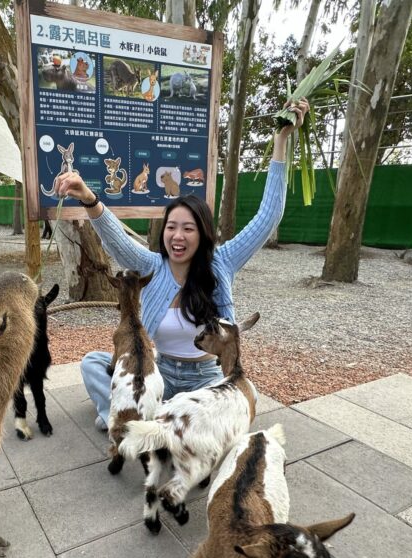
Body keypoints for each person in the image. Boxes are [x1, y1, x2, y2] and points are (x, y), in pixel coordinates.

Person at [53, 99, 309, 431]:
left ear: (202, 234)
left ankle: (149, 418)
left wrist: (281, 141)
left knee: (250, 396)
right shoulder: (153, 265)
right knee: (93, 363)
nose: (177, 235)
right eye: (171, 226)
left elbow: (268, 216)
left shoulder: (222, 262)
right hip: (158, 372)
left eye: (188, 228)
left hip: (204, 376)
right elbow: (117, 240)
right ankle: (121, 416)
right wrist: (89, 197)